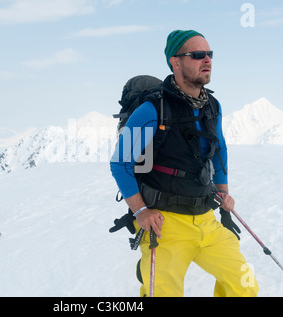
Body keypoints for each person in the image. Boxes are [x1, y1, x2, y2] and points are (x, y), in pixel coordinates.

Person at [110, 30, 259, 297]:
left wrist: (222, 188)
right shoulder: (152, 109)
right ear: (175, 62)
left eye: (209, 54)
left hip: (206, 219)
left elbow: (219, 149)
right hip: (166, 224)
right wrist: (140, 211)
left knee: (245, 288)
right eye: (198, 55)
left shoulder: (212, 105)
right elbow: (120, 164)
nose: (207, 60)